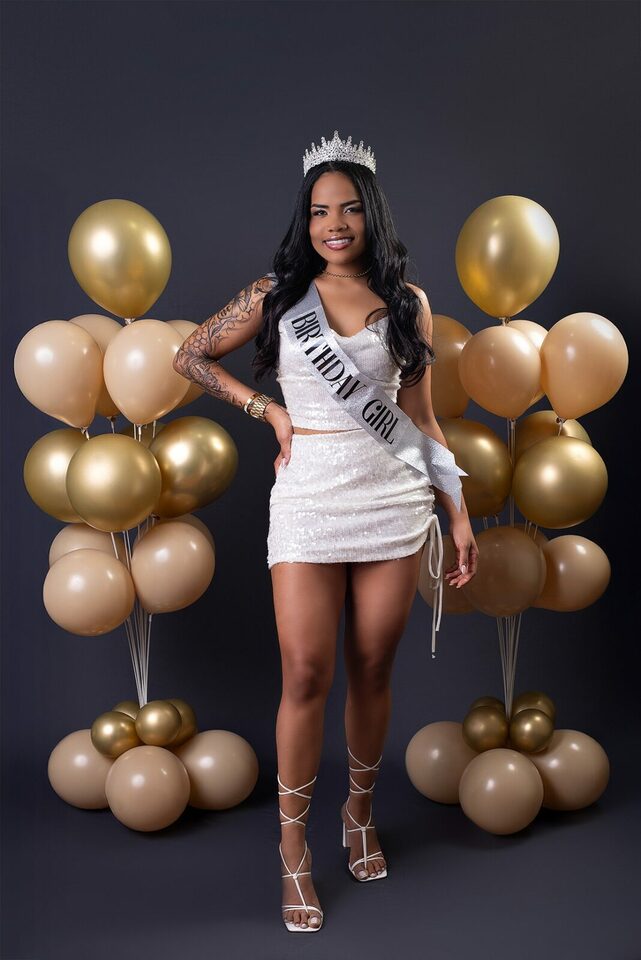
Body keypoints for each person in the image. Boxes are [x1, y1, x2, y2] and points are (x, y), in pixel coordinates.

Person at [173, 130, 478, 933]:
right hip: (309, 501)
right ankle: (293, 851)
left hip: (392, 503)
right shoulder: (276, 295)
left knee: (371, 667)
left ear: (371, 215)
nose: (333, 224)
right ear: (303, 220)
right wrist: (265, 409)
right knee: (305, 672)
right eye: (318, 211)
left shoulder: (408, 303)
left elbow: (423, 421)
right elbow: (189, 354)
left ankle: (358, 815)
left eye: (347, 209)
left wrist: (458, 512)